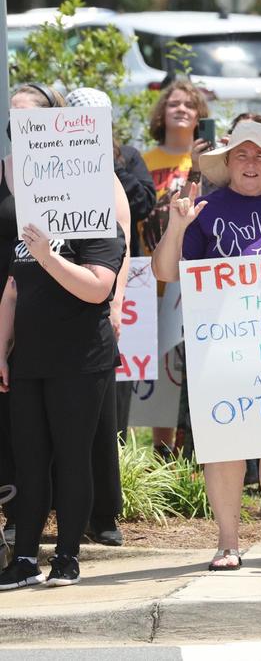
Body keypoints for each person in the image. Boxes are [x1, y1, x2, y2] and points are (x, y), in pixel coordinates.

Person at [151, 120, 261, 571]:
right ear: (227, 163)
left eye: (260, 155)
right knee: (225, 446)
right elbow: (165, 272)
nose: (251, 163)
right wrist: (177, 225)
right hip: (220, 349)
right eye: (241, 155)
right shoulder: (203, 209)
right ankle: (228, 543)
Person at [0, 151, 127, 588]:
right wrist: (1, 351)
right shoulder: (33, 227)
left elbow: (97, 289)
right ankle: (24, 559)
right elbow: (12, 291)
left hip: (80, 362)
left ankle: (67, 556)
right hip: (29, 362)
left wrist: (48, 257)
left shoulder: (101, 227)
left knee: (73, 458)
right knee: (30, 462)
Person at [63, 88, 156, 549]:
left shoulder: (115, 171)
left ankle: (103, 514)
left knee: (103, 414)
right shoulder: (44, 167)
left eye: (97, 122)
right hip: (48, 302)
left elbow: (125, 241)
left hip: (98, 302)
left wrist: (116, 304)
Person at [0, 84, 68, 549]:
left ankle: (41, 520)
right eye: (12, 116)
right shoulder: (3, 168)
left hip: (50, 303)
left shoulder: (72, 172)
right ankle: (14, 512)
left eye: (27, 115)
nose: (18, 123)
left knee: (43, 421)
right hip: (5, 299)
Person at [140, 79, 211, 459]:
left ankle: (194, 448)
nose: (181, 109)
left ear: (200, 115)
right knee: (163, 366)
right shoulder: (145, 160)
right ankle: (162, 451)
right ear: (161, 113)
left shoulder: (208, 161)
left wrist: (198, 168)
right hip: (152, 277)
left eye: (189, 104)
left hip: (194, 279)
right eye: (173, 104)